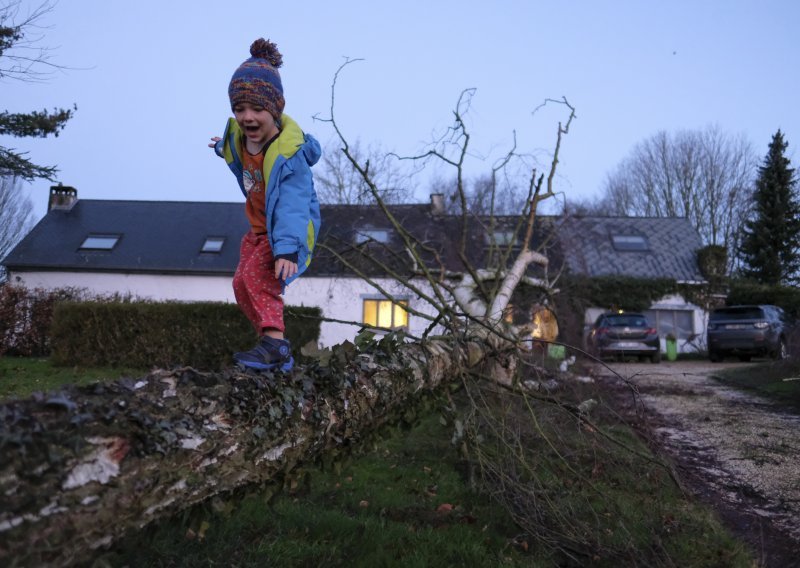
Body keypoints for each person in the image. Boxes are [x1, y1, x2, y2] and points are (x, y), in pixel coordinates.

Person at [209, 38, 321, 371]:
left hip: (289, 232)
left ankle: (275, 344)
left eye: (257, 109)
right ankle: (274, 352)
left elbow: (294, 204)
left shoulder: (290, 156)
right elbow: (234, 149)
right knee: (241, 283)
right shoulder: (239, 140)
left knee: (258, 279)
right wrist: (221, 147)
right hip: (259, 231)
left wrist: (287, 248)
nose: (247, 117)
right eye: (239, 109)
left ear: (275, 109)